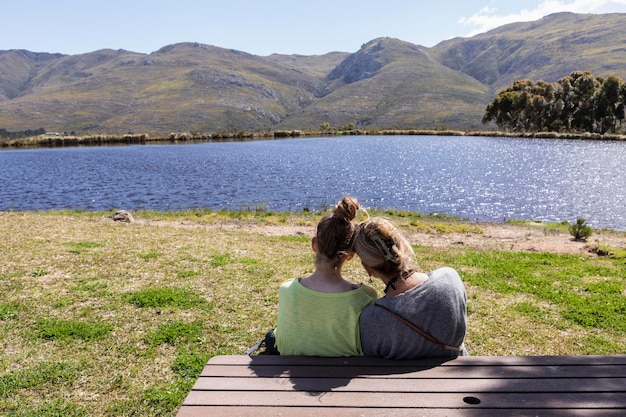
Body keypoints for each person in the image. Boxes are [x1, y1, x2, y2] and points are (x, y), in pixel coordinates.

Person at [274, 196, 378, 356]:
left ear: (314, 244)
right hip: (342, 373)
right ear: (351, 254)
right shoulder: (366, 297)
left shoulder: (287, 289)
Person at [353, 217, 468, 359]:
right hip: (458, 377)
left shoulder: (371, 319)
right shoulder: (450, 279)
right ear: (401, 244)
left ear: (367, 268)